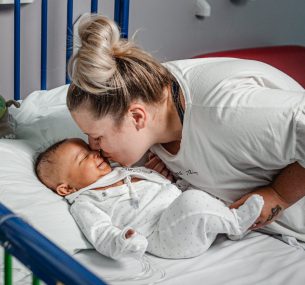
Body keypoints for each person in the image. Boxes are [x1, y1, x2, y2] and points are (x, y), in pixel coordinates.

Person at [67, 15, 305, 242]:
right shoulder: (150, 110)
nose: (93, 147)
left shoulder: (225, 109)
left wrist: (279, 194)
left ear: (137, 117)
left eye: (97, 137)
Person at [35, 138, 264, 260]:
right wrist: (123, 242)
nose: (94, 152)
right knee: (193, 202)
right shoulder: (85, 202)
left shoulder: (119, 170)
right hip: (164, 237)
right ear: (66, 188)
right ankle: (235, 224)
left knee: (197, 193)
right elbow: (101, 232)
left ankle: (221, 217)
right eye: (83, 157)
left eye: (89, 148)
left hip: (181, 214)